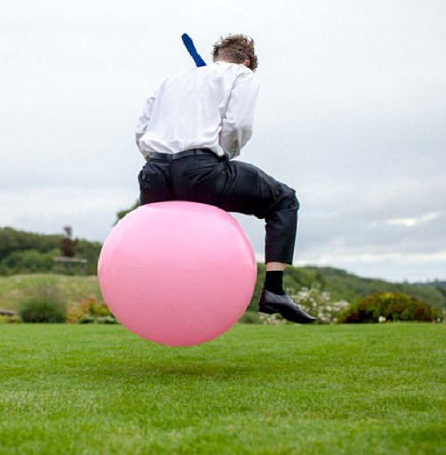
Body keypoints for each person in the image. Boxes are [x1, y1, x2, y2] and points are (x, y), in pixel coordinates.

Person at [134, 34, 315, 324]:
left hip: (153, 175)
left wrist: (162, 162)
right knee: (284, 199)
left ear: (218, 55)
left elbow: (142, 129)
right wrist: (222, 155)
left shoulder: (172, 80)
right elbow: (238, 124)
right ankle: (274, 291)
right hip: (201, 171)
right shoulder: (242, 74)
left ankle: (153, 294)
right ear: (246, 61)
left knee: (174, 238)